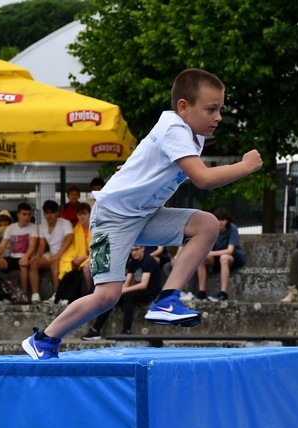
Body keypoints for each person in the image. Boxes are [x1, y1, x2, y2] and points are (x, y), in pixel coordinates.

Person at [22, 68, 262, 360]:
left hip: (144, 214)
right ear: (183, 107)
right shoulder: (175, 129)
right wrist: (246, 165)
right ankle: (43, 339)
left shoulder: (190, 135)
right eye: (211, 109)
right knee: (107, 296)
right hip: (111, 218)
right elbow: (203, 179)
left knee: (206, 225)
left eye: (221, 109)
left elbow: (152, 163)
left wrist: (131, 172)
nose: (218, 117)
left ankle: (167, 299)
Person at [81, 245, 161, 339]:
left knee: (127, 296)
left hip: (151, 292)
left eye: (136, 249)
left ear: (142, 248)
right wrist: (118, 292)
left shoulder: (149, 260)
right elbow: (127, 283)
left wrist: (124, 290)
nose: (134, 252)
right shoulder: (133, 261)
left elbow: (144, 284)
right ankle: (96, 330)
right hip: (137, 291)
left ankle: (126, 330)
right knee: (111, 298)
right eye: (132, 250)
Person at [193, 207, 244, 301]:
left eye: (223, 220)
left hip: (233, 258)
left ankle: (223, 293)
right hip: (216, 258)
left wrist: (211, 253)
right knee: (202, 258)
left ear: (227, 220)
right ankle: (201, 292)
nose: (220, 222)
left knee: (224, 258)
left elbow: (230, 250)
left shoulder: (232, 228)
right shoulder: (211, 229)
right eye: (218, 219)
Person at [29, 199, 73, 303]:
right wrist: (38, 256)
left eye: (52, 212)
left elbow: (69, 238)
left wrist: (58, 255)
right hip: (52, 254)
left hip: (66, 253)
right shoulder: (42, 226)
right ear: (44, 213)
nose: (49, 215)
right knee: (33, 263)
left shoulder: (65, 223)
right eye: (47, 213)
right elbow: (42, 244)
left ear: (57, 213)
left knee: (54, 264)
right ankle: (35, 295)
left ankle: (56, 294)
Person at [0, 202, 38, 299]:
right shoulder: (11, 228)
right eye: (24, 214)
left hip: (27, 256)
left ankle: (24, 294)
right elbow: (1, 247)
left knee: (23, 264)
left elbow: (33, 245)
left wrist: (26, 257)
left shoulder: (33, 227)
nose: (27, 217)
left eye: (29, 214)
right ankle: (0, 293)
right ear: (18, 215)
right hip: (13, 257)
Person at [56, 201, 93, 302]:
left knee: (86, 268)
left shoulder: (96, 228)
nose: (82, 217)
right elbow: (72, 249)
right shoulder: (76, 229)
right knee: (65, 262)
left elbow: (99, 249)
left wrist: (86, 258)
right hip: (82, 258)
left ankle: (88, 295)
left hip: (95, 258)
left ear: (90, 214)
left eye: (84, 214)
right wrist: (74, 259)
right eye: (79, 214)